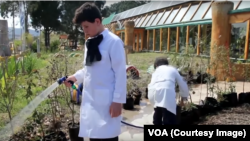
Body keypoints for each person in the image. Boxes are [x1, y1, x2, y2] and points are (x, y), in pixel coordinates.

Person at [64, 2, 127, 141]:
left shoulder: (114, 42)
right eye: (82, 27)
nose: (84, 31)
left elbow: (120, 73)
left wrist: (118, 101)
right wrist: (75, 77)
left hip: (107, 103)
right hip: (91, 103)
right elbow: (88, 69)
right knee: (94, 137)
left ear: (97, 21)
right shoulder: (89, 43)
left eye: (86, 26)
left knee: (107, 137)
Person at [147, 57, 189, 125]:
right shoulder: (172, 69)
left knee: (158, 112)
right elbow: (183, 83)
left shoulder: (155, 71)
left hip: (152, 92)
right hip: (166, 92)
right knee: (169, 117)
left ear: (156, 65)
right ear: (167, 64)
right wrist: (183, 98)